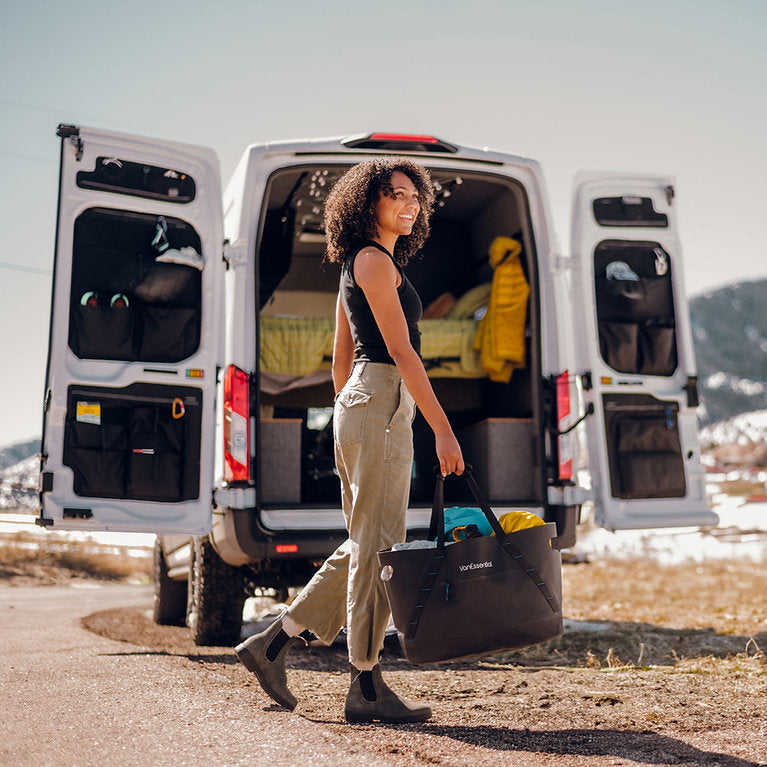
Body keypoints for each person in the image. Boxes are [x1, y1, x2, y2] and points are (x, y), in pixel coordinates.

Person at [235, 158, 464, 723]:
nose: (409, 204)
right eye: (396, 195)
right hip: (380, 401)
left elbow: (342, 355)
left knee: (367, 541)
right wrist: (442, 429)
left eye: (414, 196)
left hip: (366, 402)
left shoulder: (361, 262)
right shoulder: (372, 260)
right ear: (368, 203)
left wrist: (349, 410)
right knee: (380, 547)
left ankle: (274, 643)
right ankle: (365, 684)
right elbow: (401, 351)